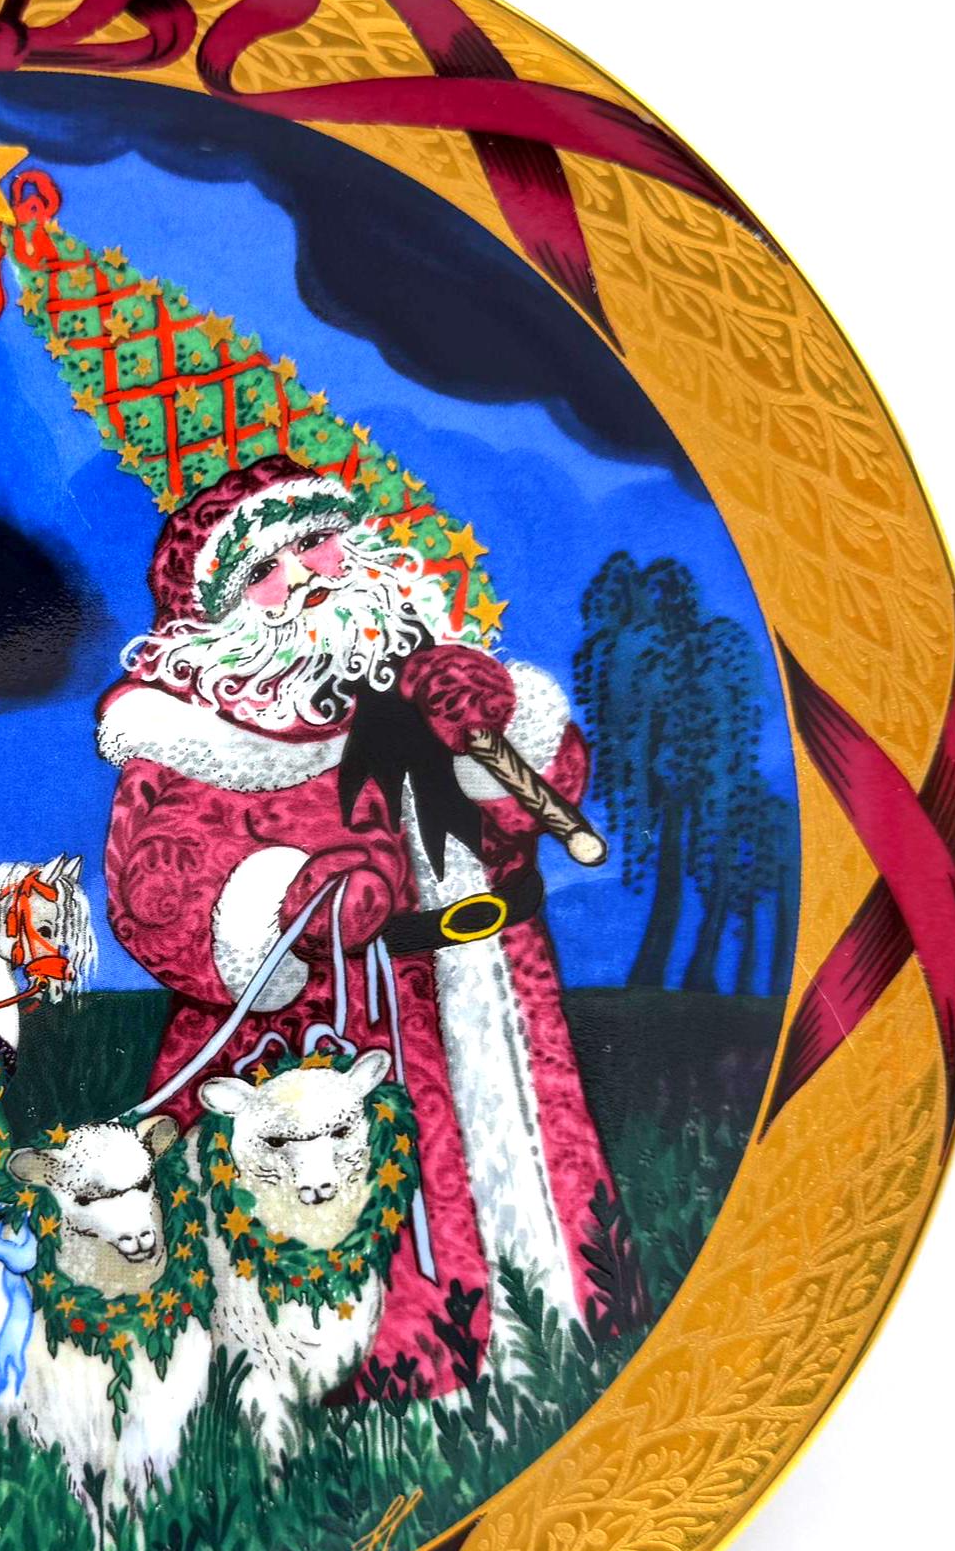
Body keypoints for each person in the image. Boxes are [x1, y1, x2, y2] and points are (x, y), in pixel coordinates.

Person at [98, 459, 620, 1393]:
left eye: (312, 542)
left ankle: (563, 1340)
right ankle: (373, 1384)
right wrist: (288, 898)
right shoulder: (198, 739)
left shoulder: (433, 677)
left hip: (500, 1000)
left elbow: (536, 809)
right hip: (329, 1032)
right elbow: (157, 889)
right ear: (219, 618)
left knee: (542, 1212)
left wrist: (498, 719)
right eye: (262, 570)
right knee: (340, 1243)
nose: (303, 576)